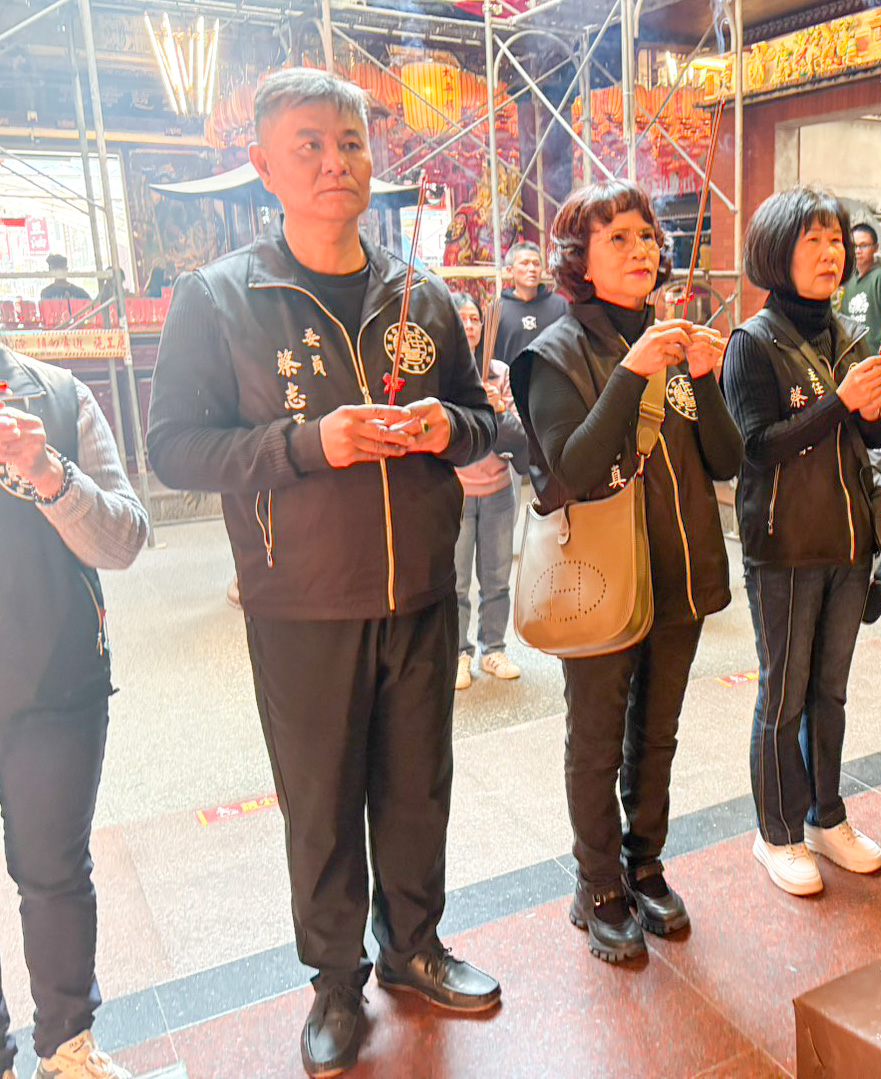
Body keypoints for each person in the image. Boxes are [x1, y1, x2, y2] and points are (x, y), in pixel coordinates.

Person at [146, 69, 500, 1077]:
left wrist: (448, 427)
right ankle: (336, 981)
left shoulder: (421, 292)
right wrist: (311, 443)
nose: (335, 161)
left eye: (349, 141)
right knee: (321, 799)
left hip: (421, 588)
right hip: (299, 599)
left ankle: (414, 946)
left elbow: (482, 420)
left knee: (417, 787)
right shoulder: (220, 299)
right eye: (308, 144)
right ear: (264, 166)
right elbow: (173, 449)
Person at [510, 179, 742, 962]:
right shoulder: (552, 353)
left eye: (646, 235)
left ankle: (645, 864)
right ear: (578, 259)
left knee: (657, 732)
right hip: (600, 578)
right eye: (617, 237)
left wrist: (702, 376)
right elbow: (572, 469)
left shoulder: (675, 345)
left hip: (679, 571)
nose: (640, 248)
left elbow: (725, 459)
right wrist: (630, 373)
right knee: (596, 739)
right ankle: (597, 883)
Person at [721, 186, 881, 896]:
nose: (832, 255)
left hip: (850, 541)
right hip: (785, 546)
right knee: (784, 696)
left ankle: (828, 816)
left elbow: (873, 436)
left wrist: (874, 407)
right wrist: (840, 401)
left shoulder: (848, 333)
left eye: (837, 242)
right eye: (813, 242)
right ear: (776, 253)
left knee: (831, 692)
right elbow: (757, 446)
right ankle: (777, 832)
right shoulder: (752, 342)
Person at [0, 344, 149, 1079]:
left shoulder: (59, 396)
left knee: (55, 873)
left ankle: (66, 1046)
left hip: (55, 682)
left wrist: (47, 472)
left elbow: (125, 538)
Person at [452, 291, 525, 686]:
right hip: (457, 492)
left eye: (475, 319)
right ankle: (458, 653)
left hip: (498, 490)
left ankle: (493, 649)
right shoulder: (445, 371)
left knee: (496, 579)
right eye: (462, 318)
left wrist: (497, 409)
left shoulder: (499, 371)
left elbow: (517, 435)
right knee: (457, 582)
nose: (470, 326)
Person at [492, 241, 569, 366]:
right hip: (511, 378)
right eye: (525, 263)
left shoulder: (560, 306)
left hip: (553, 377)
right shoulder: (497, 309)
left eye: (536, 264)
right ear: (510, 270)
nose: (532, 269)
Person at [835, 222, 881, 357]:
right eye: (854, 246)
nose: (858, 251)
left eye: (864, 245)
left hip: (878, 359)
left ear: (876, 248)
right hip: (855, 360)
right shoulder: (849, 282)